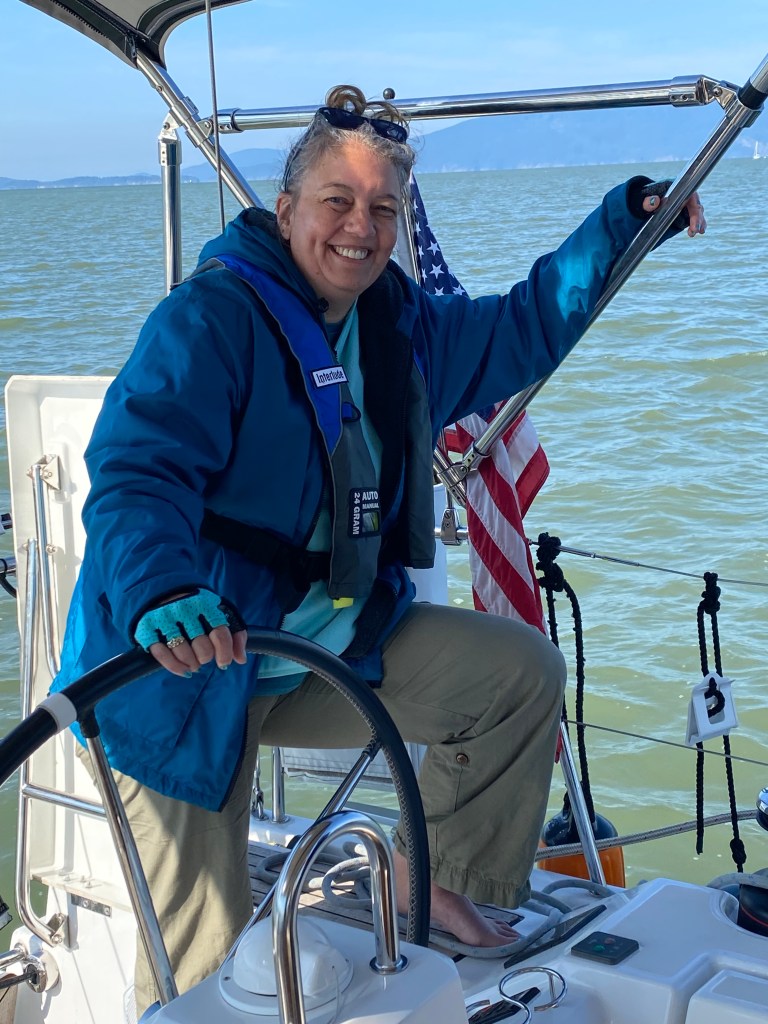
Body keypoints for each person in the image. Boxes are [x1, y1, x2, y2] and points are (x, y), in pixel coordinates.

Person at [53, 84, 707, 1013]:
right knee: (214, 972)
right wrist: (161, 587)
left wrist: (620, 226)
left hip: (320, 652)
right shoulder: (207, 323)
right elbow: (134, 474)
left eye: (383, 208)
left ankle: (433, 883)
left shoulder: (401, 324)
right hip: (180, 675)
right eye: (337, 201)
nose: (360, 227)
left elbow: (526, 324)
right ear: (285, 212)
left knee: (518, 674)